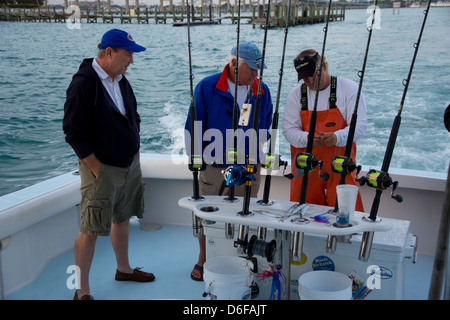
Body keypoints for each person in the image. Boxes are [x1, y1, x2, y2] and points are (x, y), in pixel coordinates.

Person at [63, 29, 154, 300]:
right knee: (90, 230)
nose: (132, 61)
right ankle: (82, 292)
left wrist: (134, 151)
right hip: (101, 170)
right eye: (128, 55)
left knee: (122, 218)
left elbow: (132, 115)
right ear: (109, 52)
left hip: (128, 165)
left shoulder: (120, 79)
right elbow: (73, 132)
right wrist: (96, 169)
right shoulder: (83, 83)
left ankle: (124, 269)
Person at [185, 42, 273, 281]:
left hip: (248, 166)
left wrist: (255, 154)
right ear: (235, 64)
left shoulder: (261, 90)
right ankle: (204, 258)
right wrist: (196, 160)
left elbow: (265, 125)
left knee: (246, 215)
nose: (256, 74)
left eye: (258, 69)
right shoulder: (207, 86)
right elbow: (193, 126)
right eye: (252, 69)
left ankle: (240, 260)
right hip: (214, 166)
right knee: (208, 215)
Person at [282, 49, 367, 211]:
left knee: (346, 217)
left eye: (314, 74)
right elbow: (288, 130)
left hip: (341, 167)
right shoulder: (295, 95)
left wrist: (337, 137)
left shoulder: (349, 88)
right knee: (304, 217)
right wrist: (307, 138)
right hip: (306, 169)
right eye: (305, 77)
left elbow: (360, 126)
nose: (311, 80)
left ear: (325, 66)